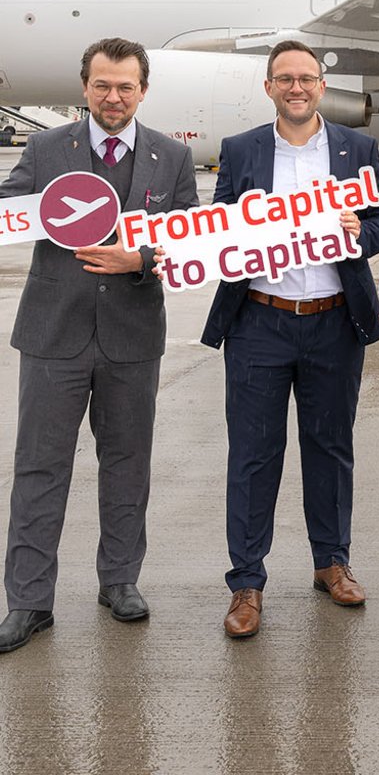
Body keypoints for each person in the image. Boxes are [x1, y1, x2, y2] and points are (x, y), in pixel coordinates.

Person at [0, 38, 198, 654]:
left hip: (132, 339)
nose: (113, 98)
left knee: (127, 465)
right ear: (85, 88)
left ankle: (119, 581)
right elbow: (9, 209)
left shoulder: (171, 158)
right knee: (39, 468)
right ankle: (29, 601)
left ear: (143, 91)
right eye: (102, 86)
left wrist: (137, 257)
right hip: (53, 335)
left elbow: (188, 243)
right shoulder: (44, 147)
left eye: (126, 87)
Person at [201, 41, 379, 639]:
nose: (296, 87)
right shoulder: (240, 150)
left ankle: (331, 563)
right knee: (253, 455)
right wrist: (238, 226)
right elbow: (214, 227)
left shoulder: (355, 148)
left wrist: (359, 229)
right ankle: (246, 584)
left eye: (306, 78)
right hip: (259, 320)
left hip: (333, 320)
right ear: (268, 87)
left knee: (331, 448)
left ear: (320, 86)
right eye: (284, 78)